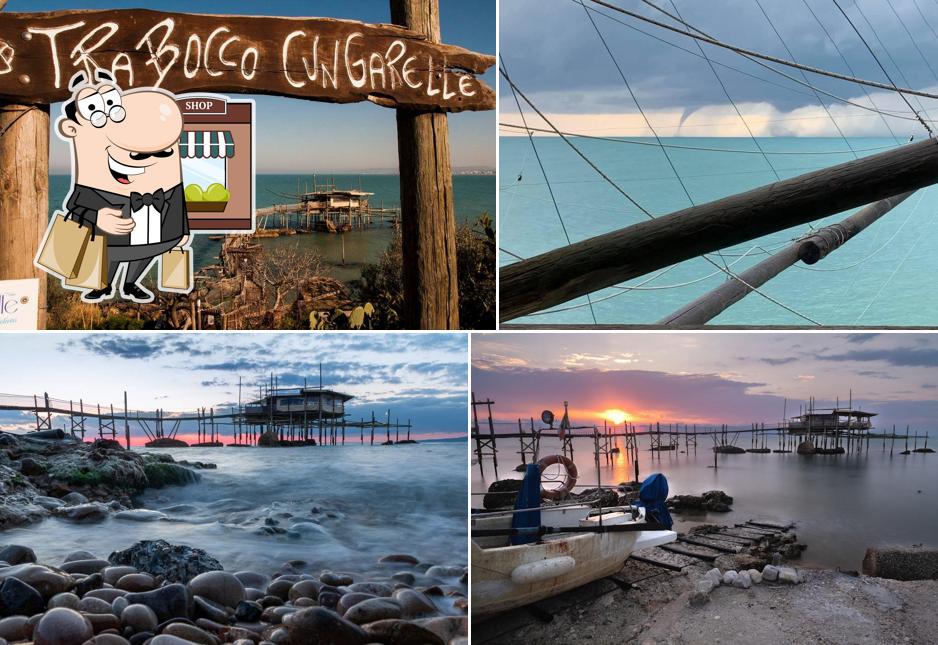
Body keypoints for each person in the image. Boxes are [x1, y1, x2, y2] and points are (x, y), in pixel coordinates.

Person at [53, 69, 189, 303]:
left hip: (154, 236)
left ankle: (131, 283)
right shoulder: (92, 187)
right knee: (111, 256)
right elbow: (75, 205)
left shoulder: (168, 186)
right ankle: (104, 285)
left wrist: (183, 231)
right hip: (111, 240)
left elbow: (177, 202)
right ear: (72, 128)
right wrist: (97, 217)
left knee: (145, 254)